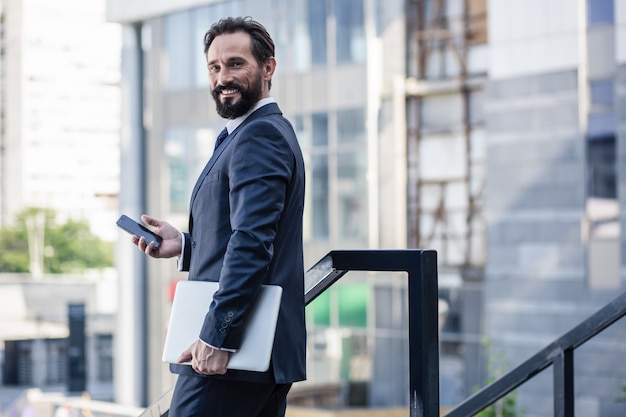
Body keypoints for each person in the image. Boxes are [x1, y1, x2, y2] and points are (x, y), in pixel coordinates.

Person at [129, 16, 306, 417]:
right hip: (254, 357)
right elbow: (249, 234)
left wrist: (217, 336)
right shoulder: (250, 134)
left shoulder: (260, 136)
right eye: (214, 67)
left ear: (268, 68)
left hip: (232, 357)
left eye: (236, 64)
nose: (223, 77)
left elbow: (252, 243)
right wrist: (185, 246)